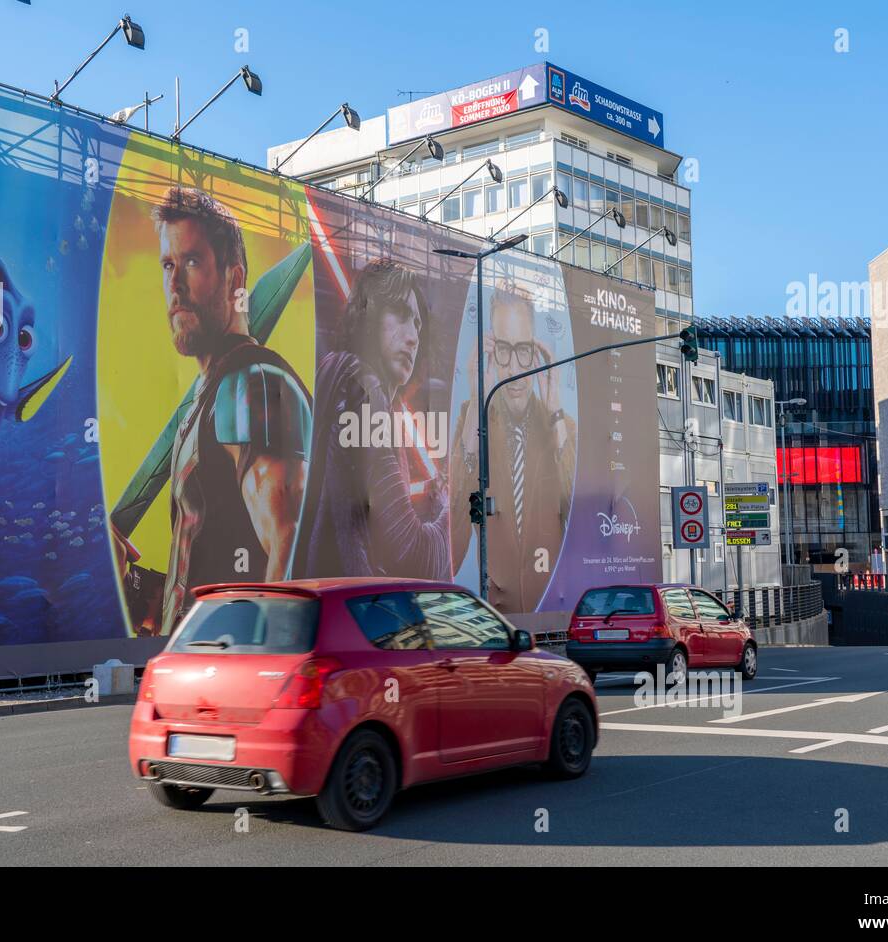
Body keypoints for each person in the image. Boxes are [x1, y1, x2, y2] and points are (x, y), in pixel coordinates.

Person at [115, 187, 312, 634]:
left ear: (235, 278)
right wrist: (128, 583)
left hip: (236, 671)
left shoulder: (251, 384)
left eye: (192, 262)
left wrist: (263, 667)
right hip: (202, 669)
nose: (175, 284)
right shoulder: (212, 394)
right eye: (168, 264)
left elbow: (288, 542)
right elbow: (202, 576)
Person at [294, 260, 450, 579]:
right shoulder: (363, 385)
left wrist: (428, 504)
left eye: (418, 326)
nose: (412, 338)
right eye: (402, 316)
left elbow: (371, 524)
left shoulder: (338, 374)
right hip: (352, 604)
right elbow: (411, 555)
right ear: (370, 313)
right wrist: (448, 509)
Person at [450, 284, 575, 613]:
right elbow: (453, 534)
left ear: (537, 353)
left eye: (524, 350)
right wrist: (477, 397)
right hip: (494, 614)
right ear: (491, 352)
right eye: (503, 349)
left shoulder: (562, 428)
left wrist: (556, 413)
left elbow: (577, 513)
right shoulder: (473, 423)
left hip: (552, 607)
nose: (515, 369)